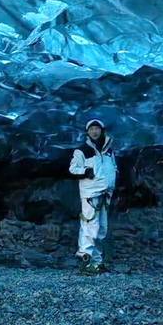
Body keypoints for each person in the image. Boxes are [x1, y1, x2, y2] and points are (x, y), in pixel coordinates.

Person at [69, 118, 117, 275]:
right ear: (87, 132)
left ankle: (97, 262)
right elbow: (73, 169)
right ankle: (84, 260)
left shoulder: (109, 151)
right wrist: (86, 172)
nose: (95, 131)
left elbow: (113, 167)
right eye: (91, 129)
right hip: (90, 194)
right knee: (89, 226)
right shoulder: (82, 150)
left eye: (97, 129)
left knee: (101, 228)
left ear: (102, 131)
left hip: (105, 193)